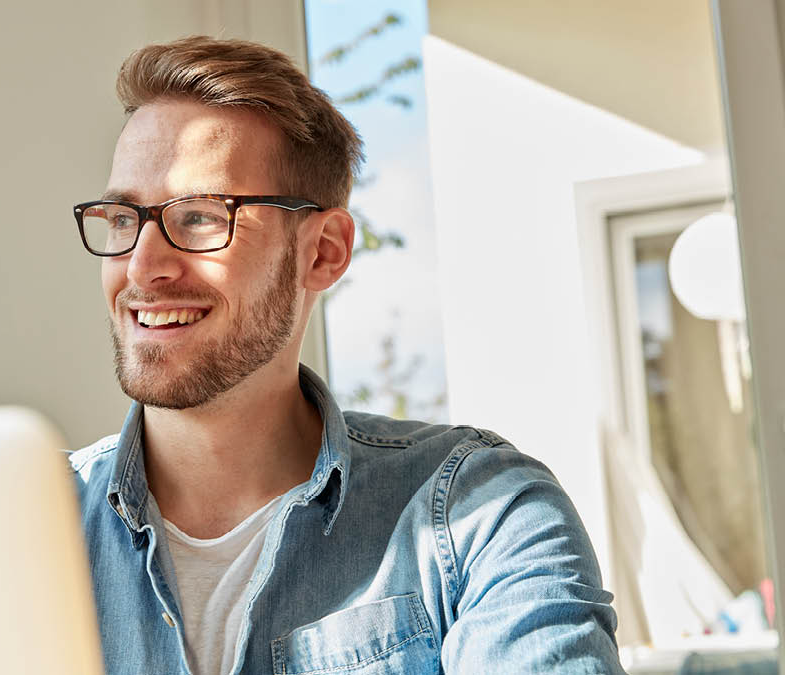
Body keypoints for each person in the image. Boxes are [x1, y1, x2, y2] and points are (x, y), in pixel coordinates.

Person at [68, 36, 622, 675]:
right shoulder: (14, 532)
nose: (141, 266)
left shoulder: (480, 519)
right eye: (121, 218)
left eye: (198, 217)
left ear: (324, 251)